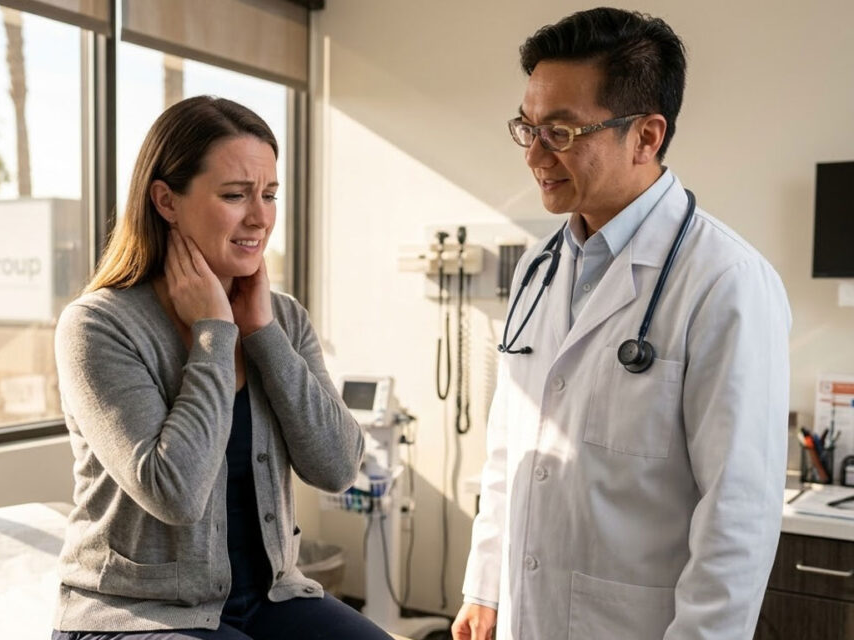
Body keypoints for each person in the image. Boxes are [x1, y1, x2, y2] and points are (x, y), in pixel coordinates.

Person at [454, 8, 790, 640]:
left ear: (646, 136)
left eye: (560, 131)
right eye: (527, 128)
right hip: (526, 614)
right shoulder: (538, 267)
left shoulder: (725, 281)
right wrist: (486, 584)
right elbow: (511, 447)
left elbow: (737, 514)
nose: (534, 156)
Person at [51, 96, 391, 640]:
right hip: (139, 612)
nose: (259, 217)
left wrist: (264, 335)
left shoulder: (282, 318)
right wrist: (214, 335)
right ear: (166, 201)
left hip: (272, 598)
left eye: (270, 194)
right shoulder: (98, 326)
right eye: (235, 195)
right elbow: (176, 494)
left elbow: (337, 468)